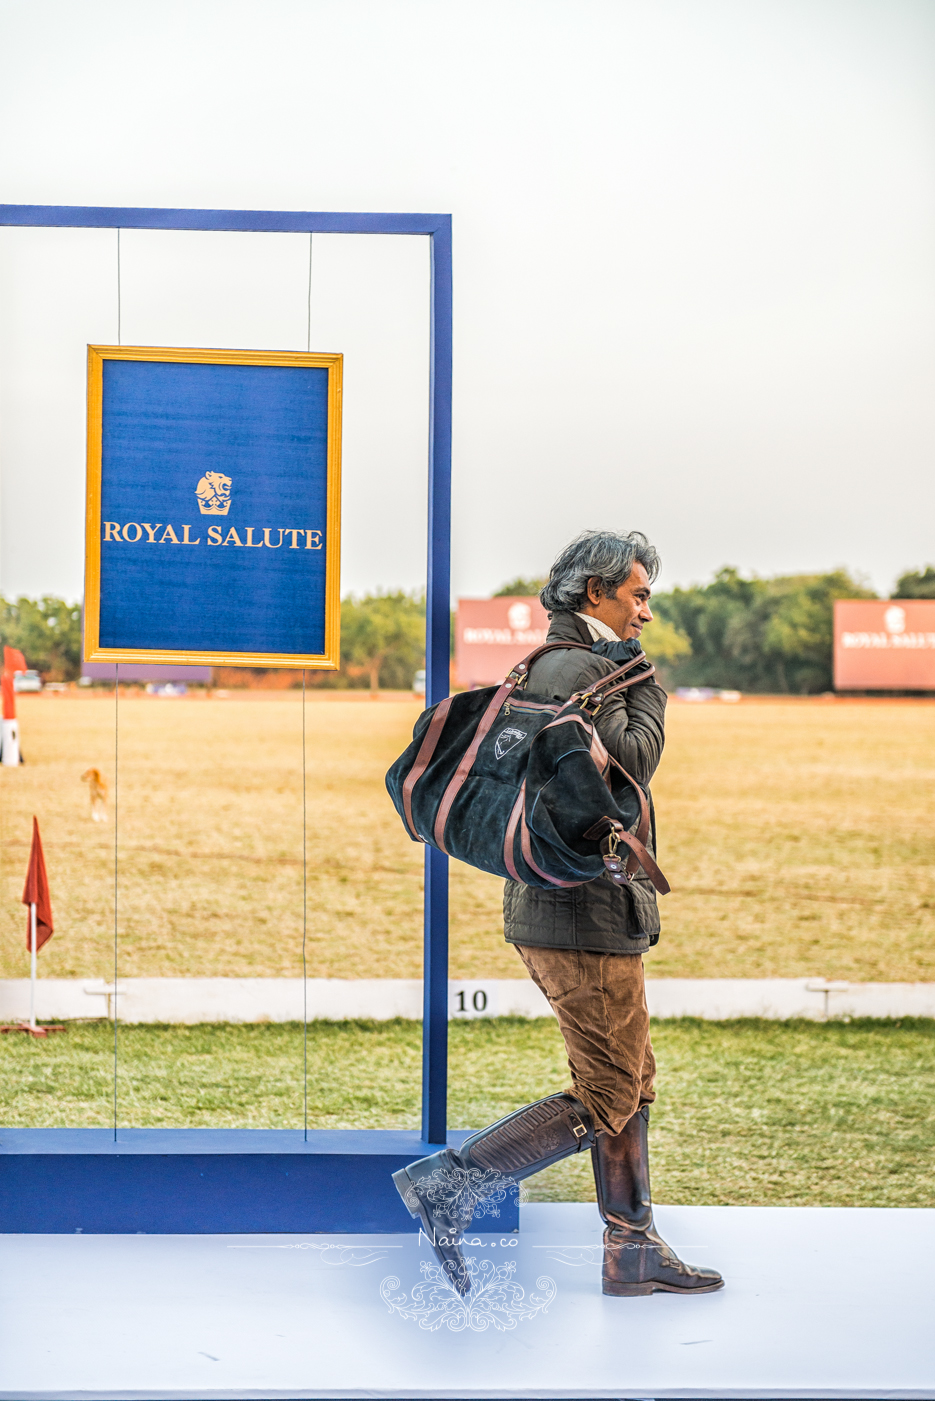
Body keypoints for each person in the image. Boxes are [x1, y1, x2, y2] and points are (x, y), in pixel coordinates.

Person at [393, 529, 723, 1298]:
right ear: (593, 593)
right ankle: (452, 1183)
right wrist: (648, 689)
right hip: (580, 909)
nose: (645, 610)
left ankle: (631, 1247)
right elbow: (628, 766)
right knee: (610, 1088)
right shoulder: (590, 669)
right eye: (637, 594)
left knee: (628, 1078)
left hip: (562, 900)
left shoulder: (552, 665)